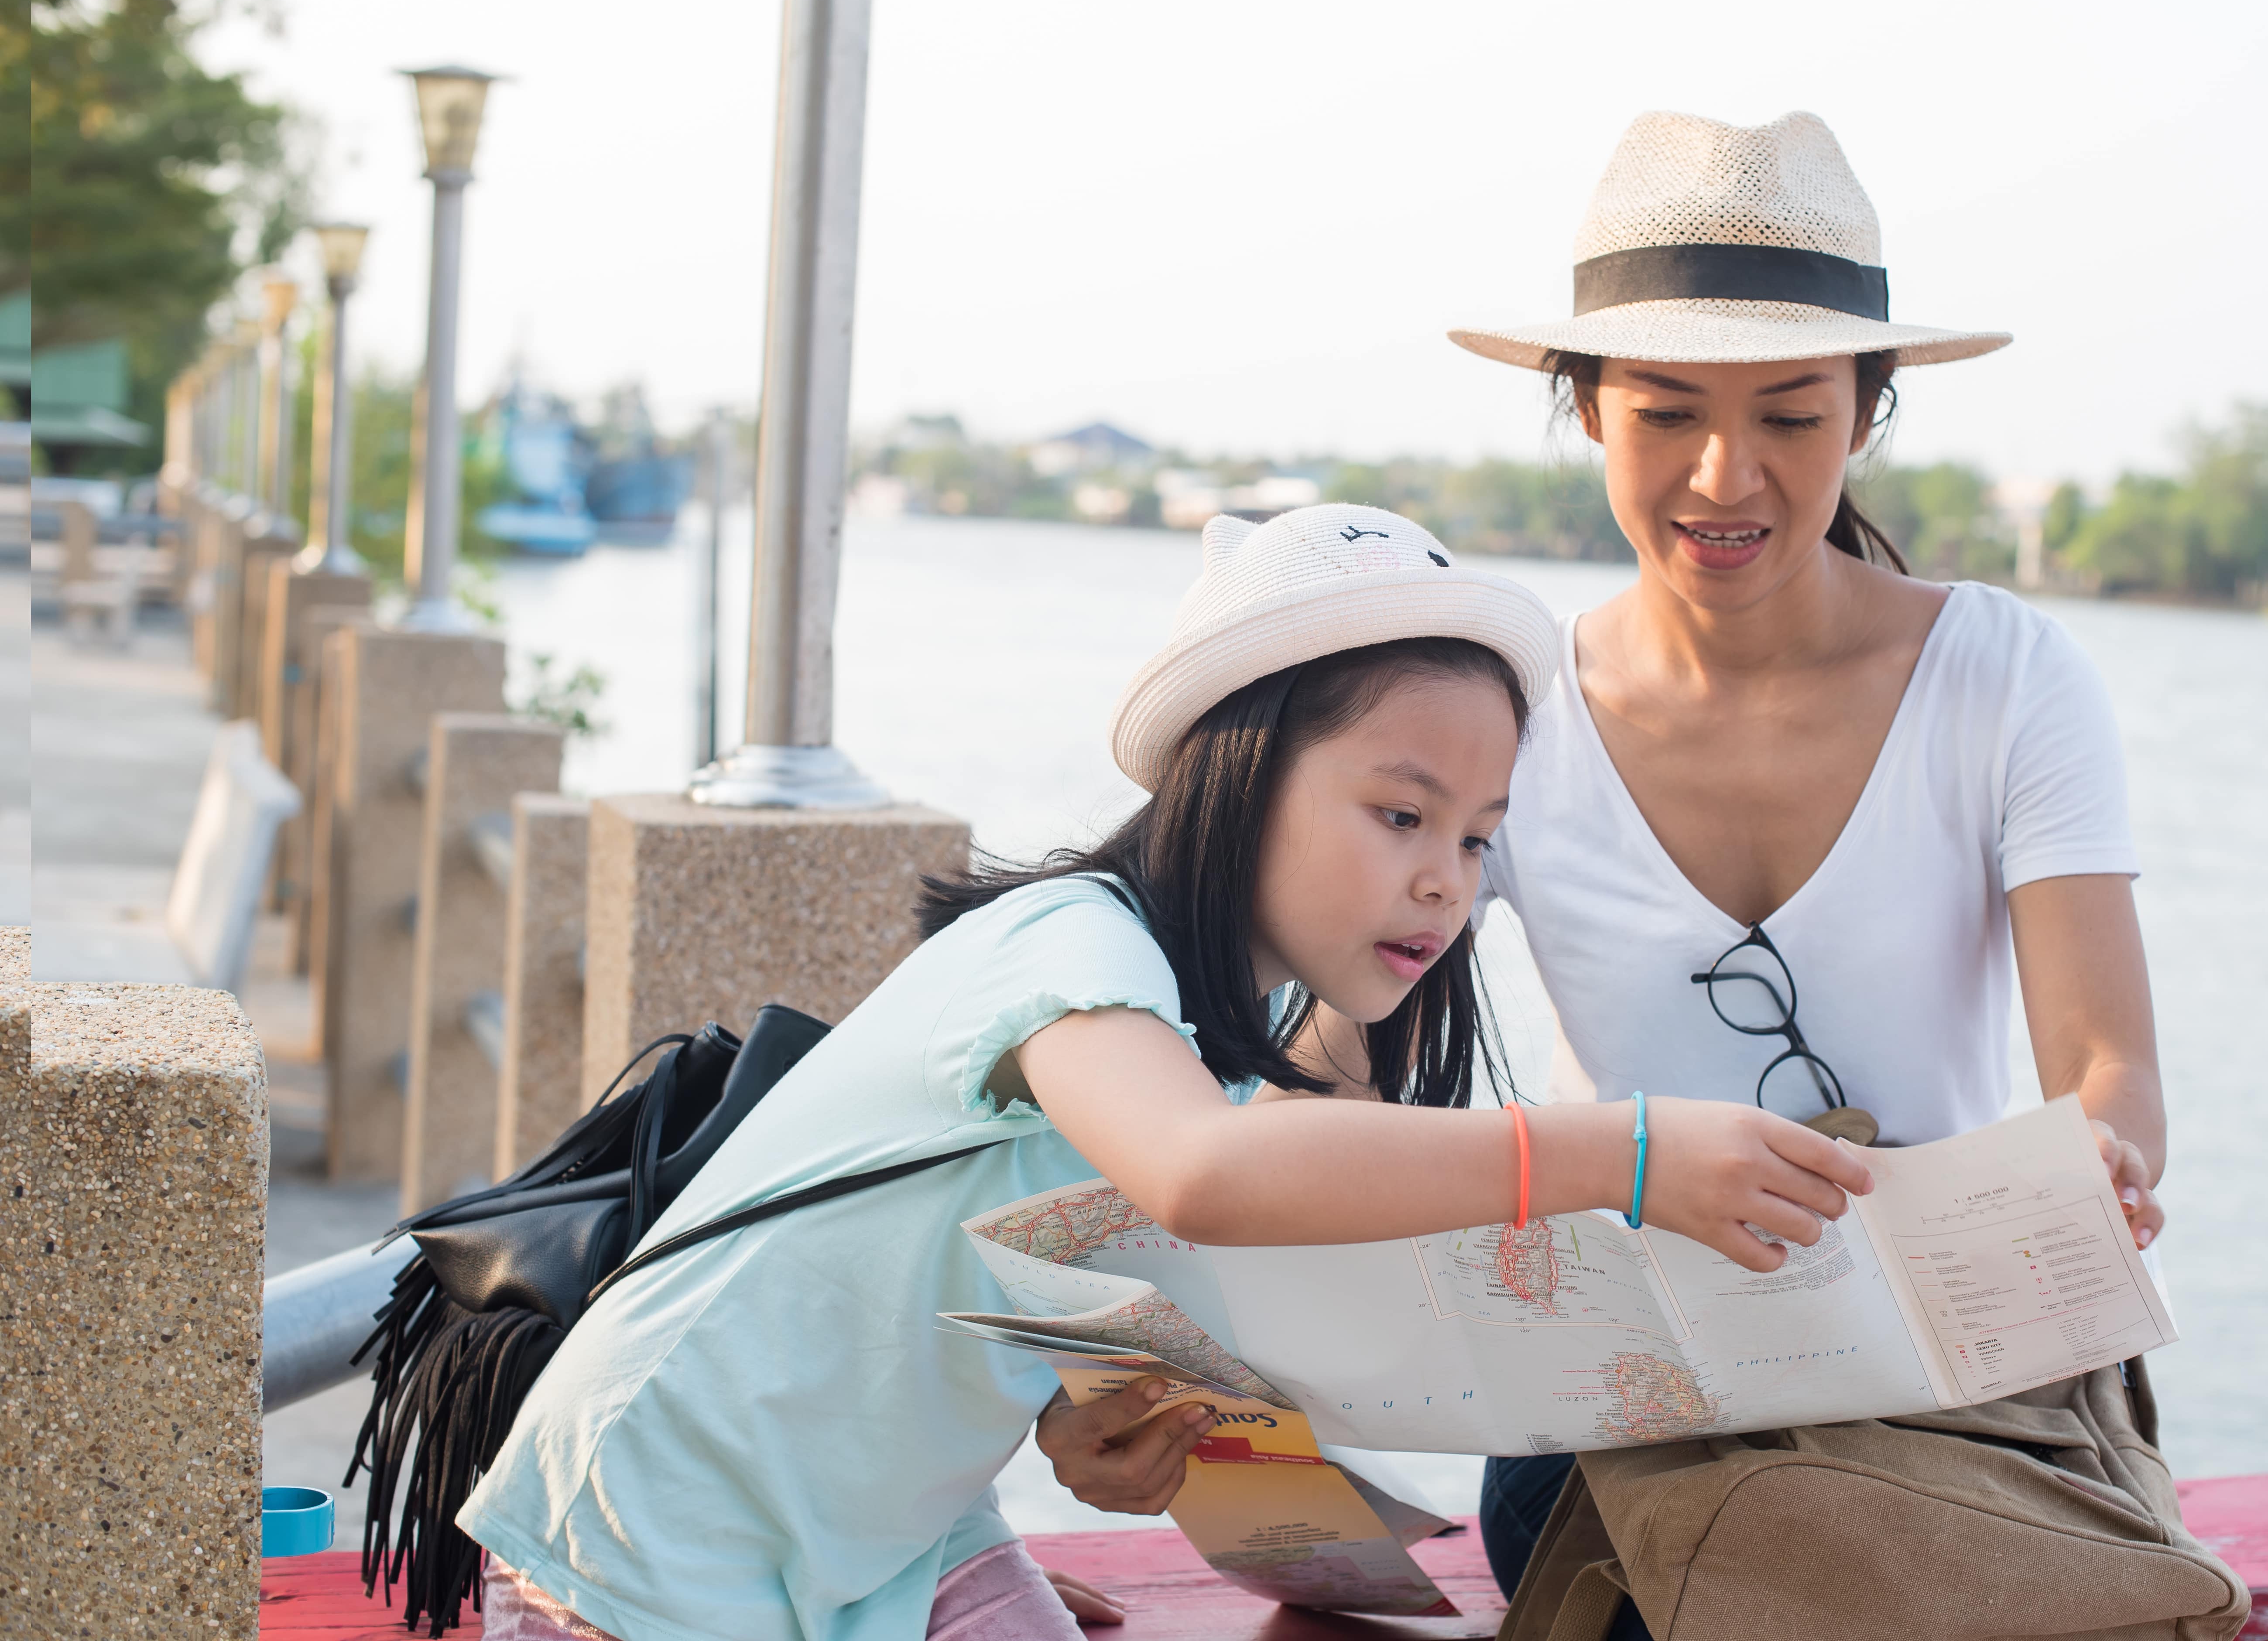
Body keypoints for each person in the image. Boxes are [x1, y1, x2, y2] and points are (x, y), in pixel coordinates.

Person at [457, 504, 1877, 1641]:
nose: (1445, 884)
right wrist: (1622, 1154)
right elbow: (1200, 1178)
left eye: (1480, 837)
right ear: (1238, 770)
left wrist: (1116, 1445)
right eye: (1401, 814)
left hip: (892, 1543)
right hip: (659, 1526)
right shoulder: (1068, 950)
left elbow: (1106, 1371)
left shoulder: (1240, 1050)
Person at [1438, 108, 2172, 1606]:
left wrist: (2096, 1166)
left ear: (1869, 412)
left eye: (1790, 415)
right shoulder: (1505, 709)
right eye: (1664, 413)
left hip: (1941, 1384)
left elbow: (2110, 1076)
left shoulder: (2006, 677)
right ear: (1586, 410)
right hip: (1622, 1404)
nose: (1726, 478)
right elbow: (1338, 1058)